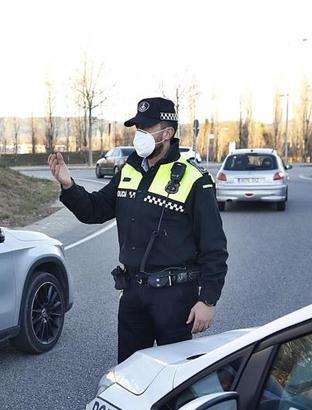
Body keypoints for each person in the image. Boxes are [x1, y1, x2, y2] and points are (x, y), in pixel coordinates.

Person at [49, 97, 228, 362]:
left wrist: (208, 300)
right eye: (138, 129)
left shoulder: (194, 180)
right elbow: (95, 210)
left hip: (175, 298)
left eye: (146, 129)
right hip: (134, 293)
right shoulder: (128, 170)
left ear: (167, 133)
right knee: (130, 372)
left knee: (174, 377)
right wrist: (68, 185)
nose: (139, 135)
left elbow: (214, 247)